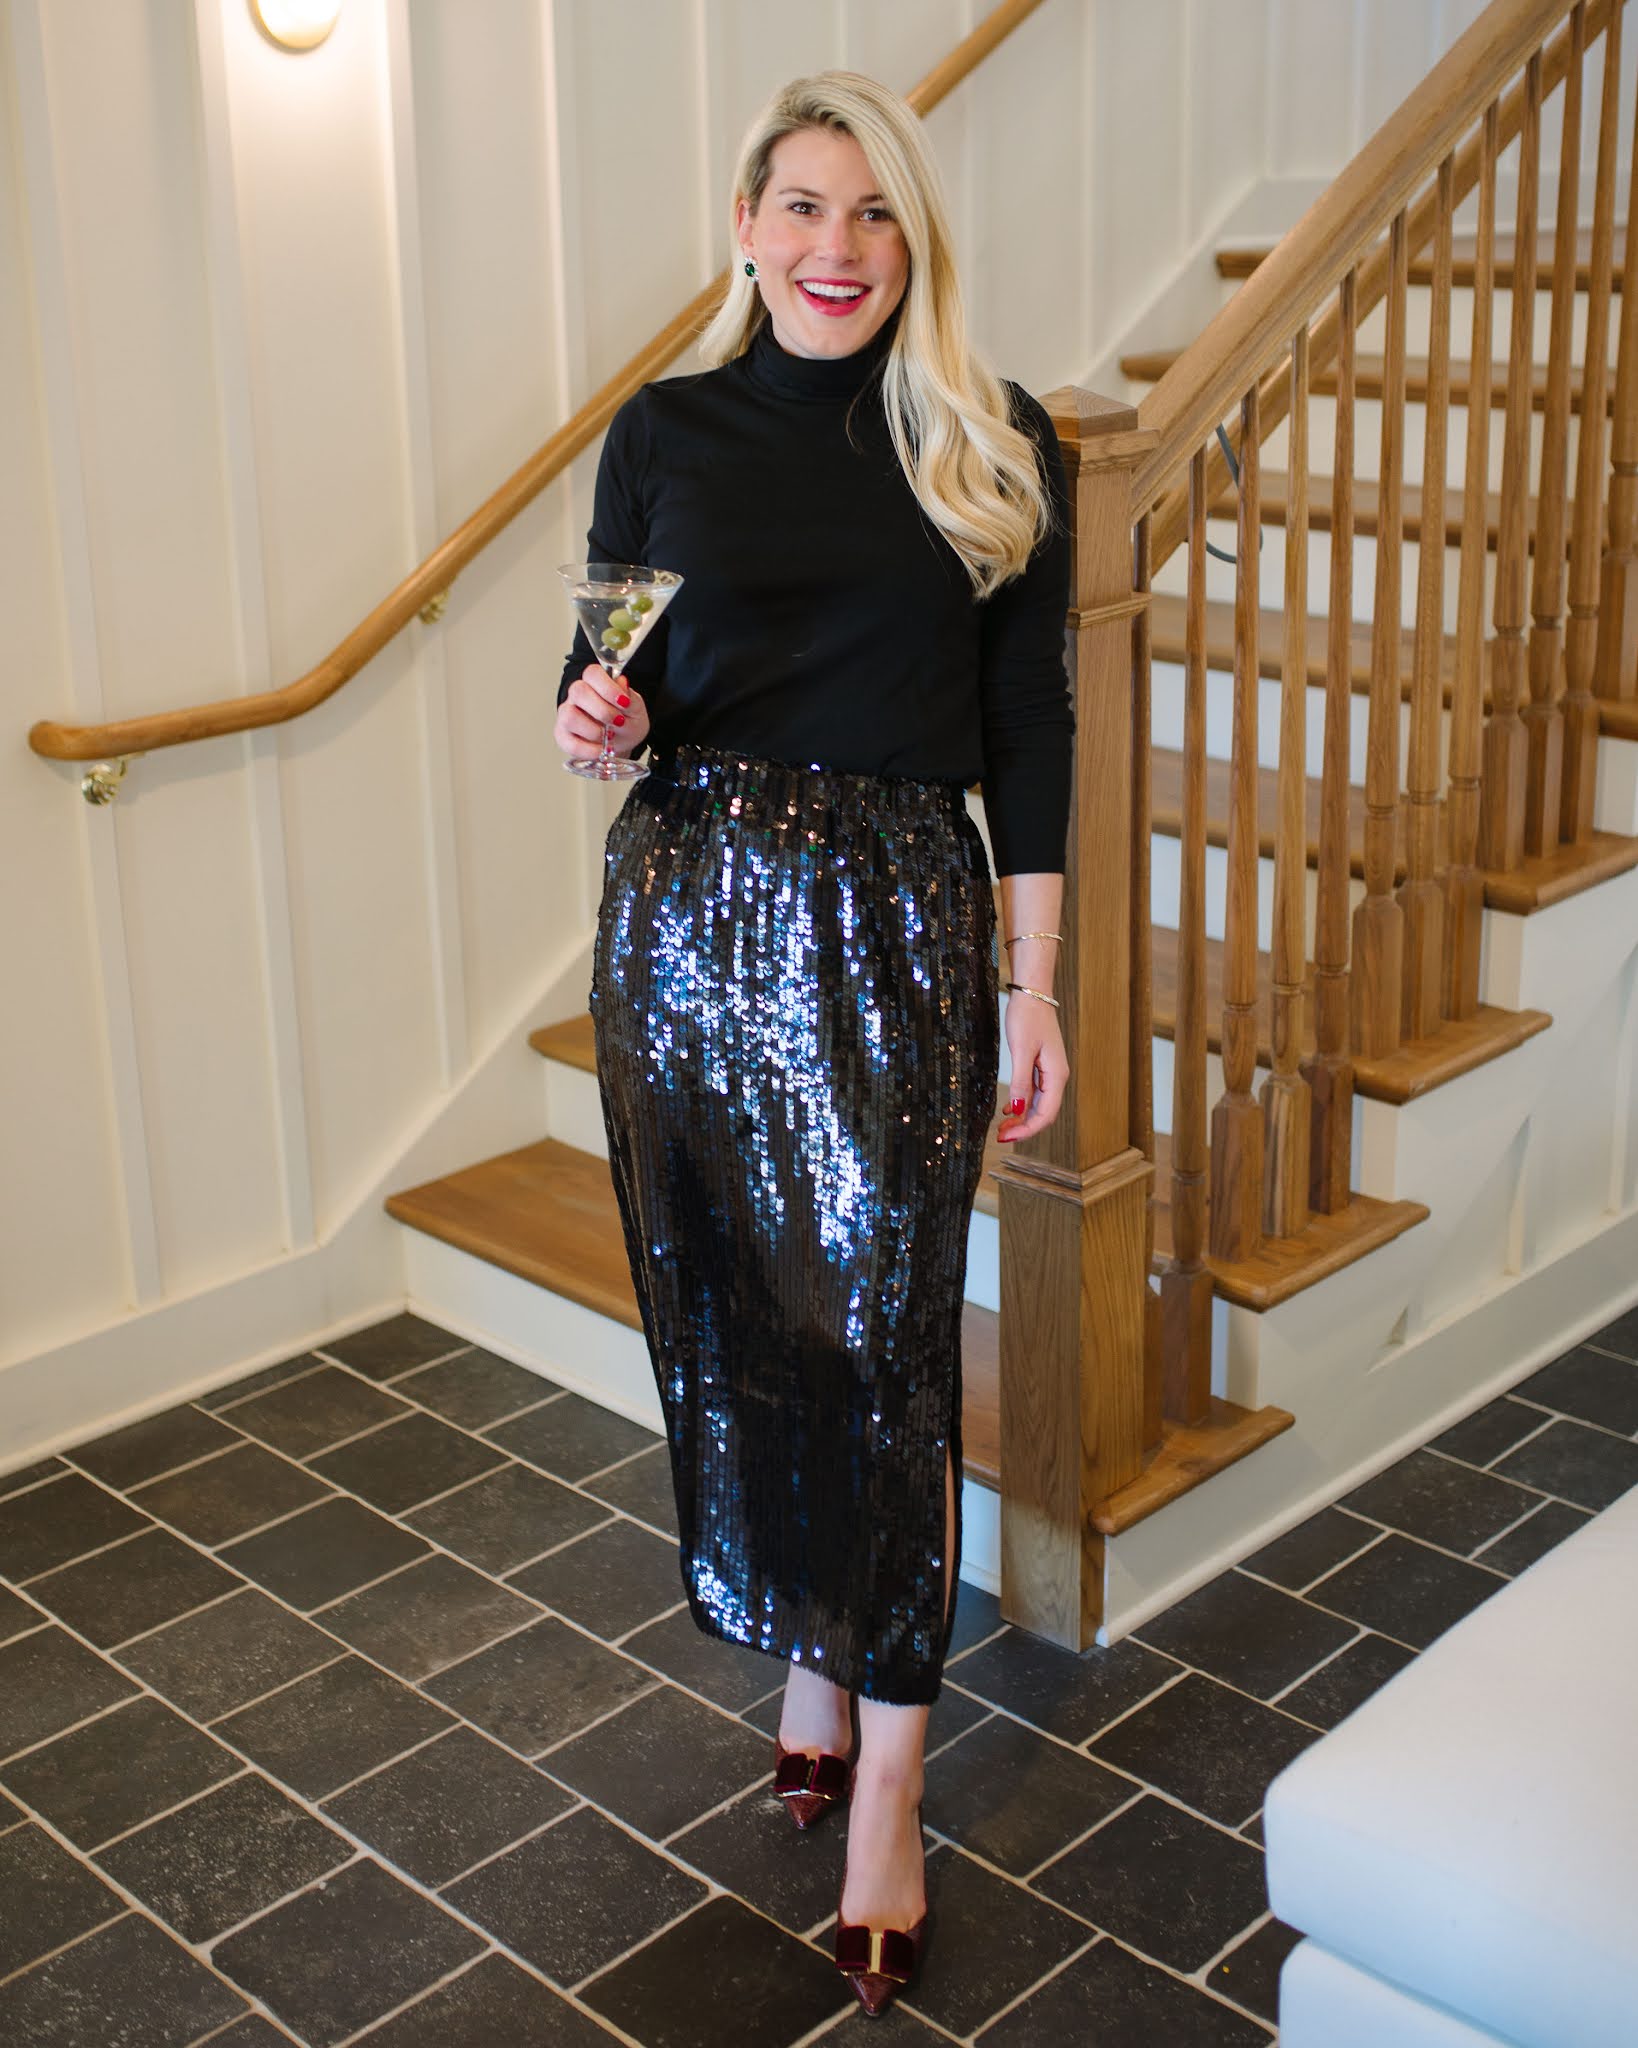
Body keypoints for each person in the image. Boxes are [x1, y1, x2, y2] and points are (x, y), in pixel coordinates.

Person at [555, 69, 1071, 2019]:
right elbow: (604, 668)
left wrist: (1034, 987)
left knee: (884, 1349)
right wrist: (594, 721)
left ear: (910, 238)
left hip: (891, 929)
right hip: (686, 920)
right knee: (747, 1324)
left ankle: (894, 1792)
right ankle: (807, 1663)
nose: (836, 247)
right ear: (746, 227)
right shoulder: (662, 431)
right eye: (801, 206)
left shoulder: (987, 439)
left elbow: (1029, 731)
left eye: (872, 212)